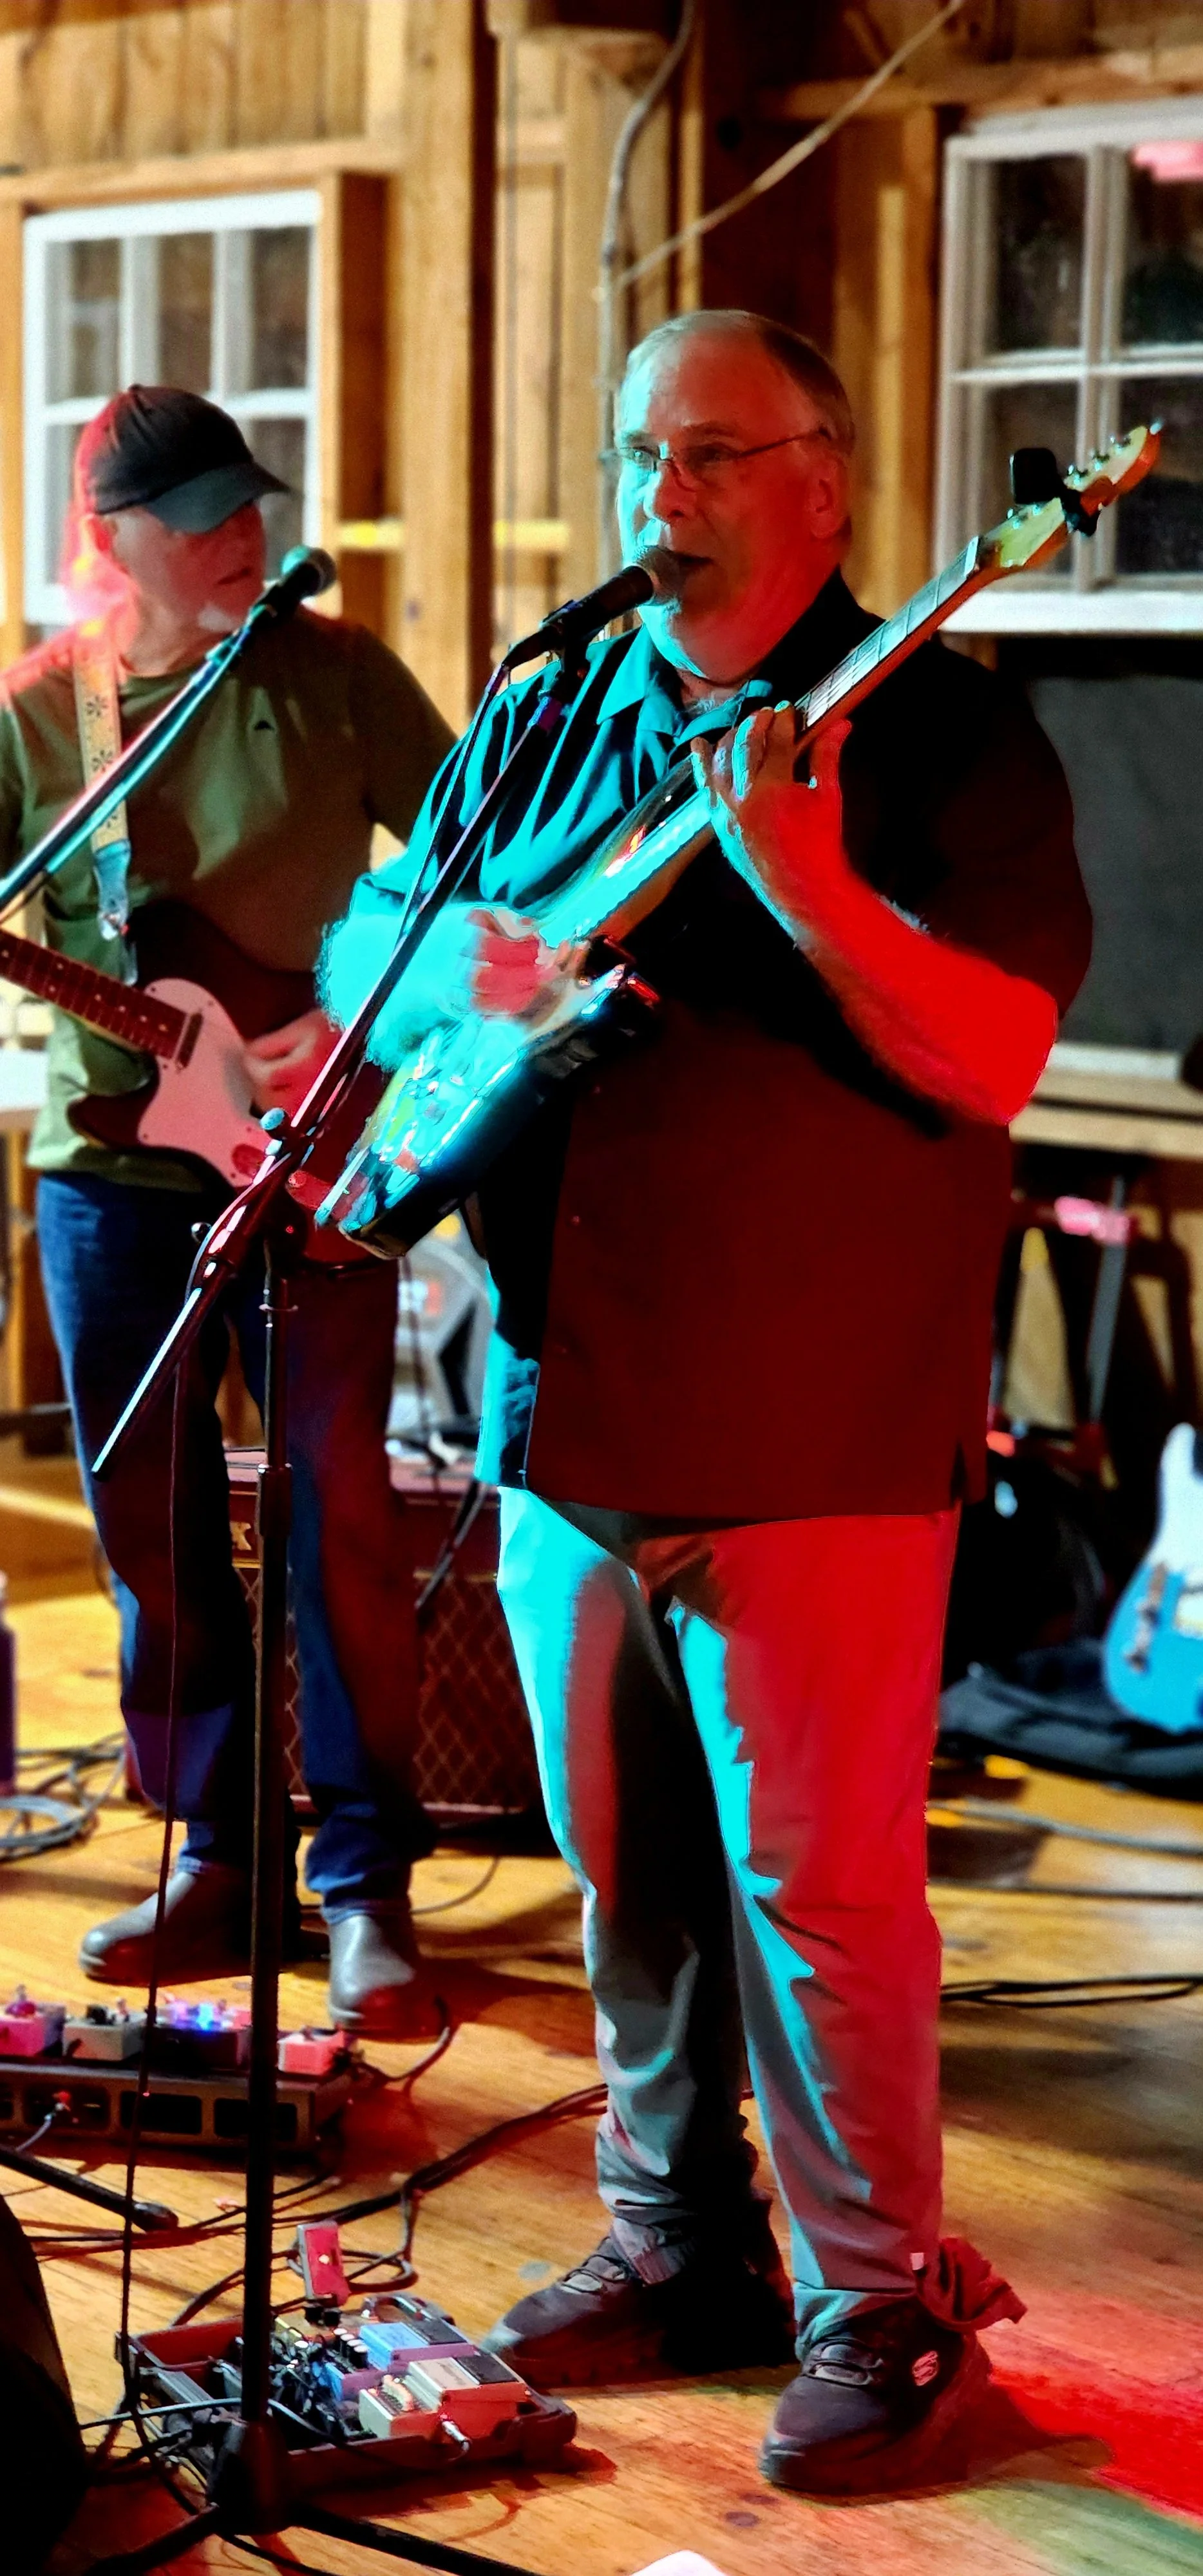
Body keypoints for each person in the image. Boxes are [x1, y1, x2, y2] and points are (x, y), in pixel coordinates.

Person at [323, 312, 1092, 2491]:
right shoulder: (550, 707)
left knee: (818, 1902)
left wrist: (808, 885)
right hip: (566, 1402)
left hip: (811, 1425)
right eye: (633, 457)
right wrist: (475, 971)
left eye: (706, 456)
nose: (654, 497)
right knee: (625, 1883)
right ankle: (679, 2249)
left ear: (824, 482)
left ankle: (883, 2307)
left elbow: (988, 1055)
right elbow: (383, 944)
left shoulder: (942, 735)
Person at [1, 386, 455, 2036]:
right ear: (109, 539)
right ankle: (220, 1857)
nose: (238, 535)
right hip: (108, 1174)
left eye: (248, 504)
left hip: (315, 1152)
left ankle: (367, 1881)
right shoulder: (44, 715)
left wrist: (351, 1020)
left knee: (339, 1518)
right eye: (196, 518)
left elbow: (482, 872)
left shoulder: (340, 678)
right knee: (156, 1534)